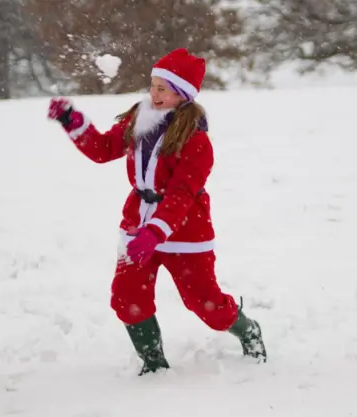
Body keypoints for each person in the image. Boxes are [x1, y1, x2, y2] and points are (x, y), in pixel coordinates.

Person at [47, 48, 266, 374]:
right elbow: (104, 149)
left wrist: (156, 231)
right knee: (126, 298)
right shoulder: (140, 120)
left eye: (163, 88)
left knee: (205, 304)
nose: (154, 93)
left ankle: (247, 329)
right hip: (138, 224)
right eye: (153, 85)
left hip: (186, 231)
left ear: (183, 94)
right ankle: (154, 364)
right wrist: (73, 122)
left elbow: (181, 194)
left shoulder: (196, 141)